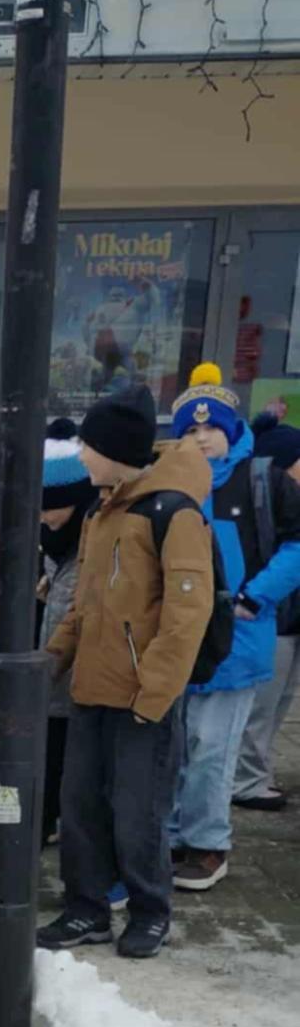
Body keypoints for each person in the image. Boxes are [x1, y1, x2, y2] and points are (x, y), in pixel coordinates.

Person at [38, 388, 213, 961]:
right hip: (90, 691)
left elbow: (187, 615)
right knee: (80, 808)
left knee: (139, 814)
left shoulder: (173, 513)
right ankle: (86, 908)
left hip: (143, 699)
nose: (82, 455)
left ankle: (149, 910)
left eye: (88, 446)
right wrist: (49, 665)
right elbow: (82, 607)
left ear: (115, 451)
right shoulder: (100, 512)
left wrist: (153, 694)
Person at [167, 366, 300, 890]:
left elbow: (296, 545)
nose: (202, 438)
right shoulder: (172, 481)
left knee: (212, 747)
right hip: (178, 637)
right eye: (191, 430)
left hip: (238, 638)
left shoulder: (263, 480)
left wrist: (254, 596)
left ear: (232, 429)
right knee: (175, 745)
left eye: (211, 428)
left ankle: (208, 843)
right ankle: (172, 834)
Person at [233, 410, 300, 810]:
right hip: (270, 620)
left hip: (288, 620)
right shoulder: (267, 504)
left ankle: (256, 773)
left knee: (278, 701)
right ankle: (246, 779)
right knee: (261, 704)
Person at [38, 428, 100, 849]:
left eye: (53, 508)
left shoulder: (92, 539)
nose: (45, 517)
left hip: (79, 673)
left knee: (70, 757)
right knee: (48, 750)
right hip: (51, 667)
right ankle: (45, 821)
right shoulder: (49, 541)